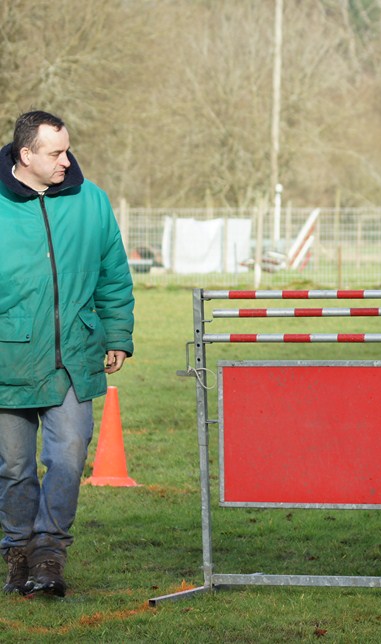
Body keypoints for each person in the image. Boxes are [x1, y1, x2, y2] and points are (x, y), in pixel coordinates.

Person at [0, 111, 134, 597]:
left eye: (67, 149)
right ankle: (18, 549)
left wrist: (117, 334)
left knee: (69, 456)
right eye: (55, 153)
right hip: (7, 359)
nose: (65, 160)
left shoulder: (91, 201)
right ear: (25, 155)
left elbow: (113, 273)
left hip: (74, 357)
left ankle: (50, 554)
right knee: (13, 467)